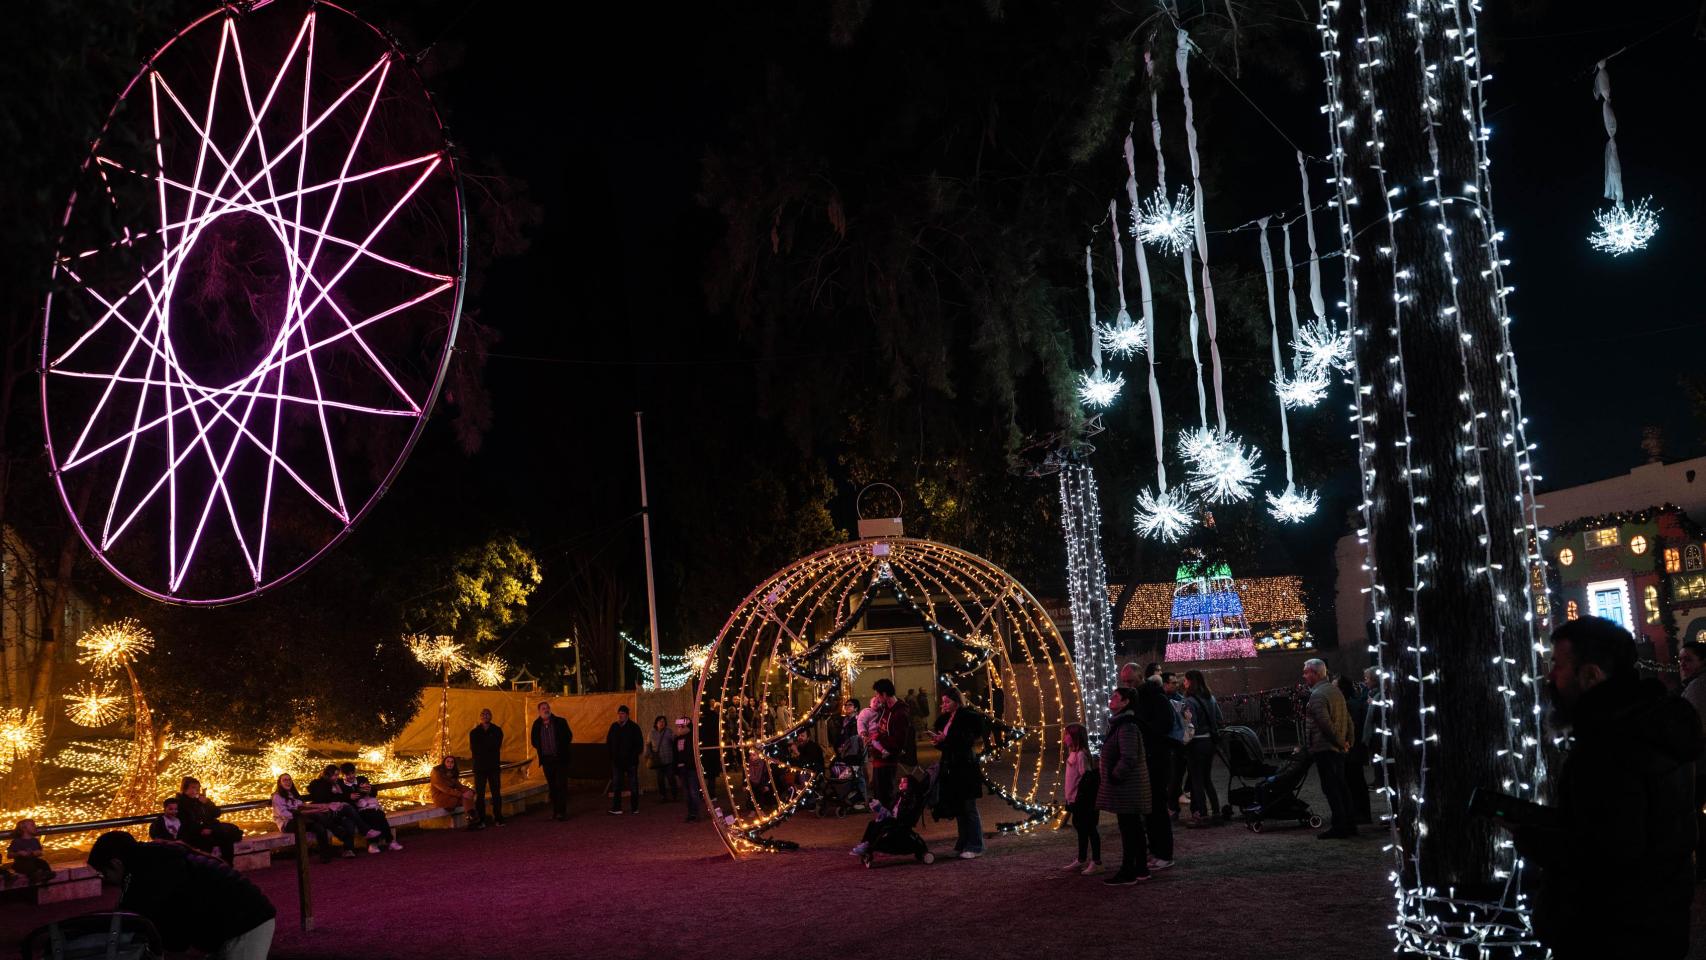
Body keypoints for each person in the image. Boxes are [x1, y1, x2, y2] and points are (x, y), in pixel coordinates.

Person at [1498, 617, 1700, 959]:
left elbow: (1604, 855)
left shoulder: (1608, 746)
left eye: (1558, 666)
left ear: (1591, 675)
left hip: (1608, 935)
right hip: (1658, 925)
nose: (1550, 677)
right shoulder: (1654, 723)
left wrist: (1527, 835)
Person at [87, 831, 276, 960]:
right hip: (240, 919)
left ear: (116, 863)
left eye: (103, 873)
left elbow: (161, 920)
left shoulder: (147, 875)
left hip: (246, 923)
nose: (105, 879)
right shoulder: (153, 859)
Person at [1097, 686, 1151, 885]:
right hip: (1128, 787)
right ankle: (1140, 868)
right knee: (1133, 828)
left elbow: (1129, 756)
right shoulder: (1121, 724)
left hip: (1128, 788)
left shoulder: (1126, 726)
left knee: (1129, 830)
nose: (1111, 699)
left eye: (1116, 697)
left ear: (1126, 702)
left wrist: (1115, 776)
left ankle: (1129, 871)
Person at [1302, 658, 1356, 839]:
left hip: (1326, 748)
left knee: (1332, 788)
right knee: (1342, 786)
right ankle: (1350, 823)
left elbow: (1325, 725)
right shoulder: (1335, 691)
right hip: (1338, 748)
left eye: (1306, 672)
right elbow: (1347, 719)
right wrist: (1348, 741)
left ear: (1315, 673)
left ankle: (1340, 826)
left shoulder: (1318, 695)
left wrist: (1340, 742)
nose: (1304, 675)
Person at [929, 687, 986, 859]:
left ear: (957, 701)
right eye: (943, 702)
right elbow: (949, 744)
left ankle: (975, 845)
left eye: (947, 701)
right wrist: (939, 742)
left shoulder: (967, 717)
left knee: (969, 807)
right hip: (952, 767)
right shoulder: (948, 718)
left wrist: (945, 739)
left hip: (965, 767)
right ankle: (963, 842)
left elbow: (965, 741)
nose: (944, 704)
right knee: (960, 807)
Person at [1131, 680, 1176, 868]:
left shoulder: (1156, 700)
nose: (1127, 684)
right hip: (1150, 759)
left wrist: (1142, 726)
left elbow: (1163, 727)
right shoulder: (1143, 700)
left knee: (1157, 808)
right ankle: (1156, 850)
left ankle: (1164, 853)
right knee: (1150, 809)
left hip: (1156, 760)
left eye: (1130, 680)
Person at [270, 773, 351, 863]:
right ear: (280, 783)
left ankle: (325, 855)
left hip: (300, 819)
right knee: (317, 815)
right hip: (287, 823)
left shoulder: (292, 794)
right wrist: (313, 811)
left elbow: (303, 805)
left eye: (289, 780)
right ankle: (339, 832)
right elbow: (285, 815)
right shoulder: (277, 796)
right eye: (285, 780)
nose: (288, 782)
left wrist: (323, 806)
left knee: (319, 827)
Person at [1182, 669, 1224, 827]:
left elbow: (1191, 725)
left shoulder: (1189, 701)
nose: (1184, 683)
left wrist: (1184, 740)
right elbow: (1219, 719)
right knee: (1207, 779)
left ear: (1190, 682)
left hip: (1196, 743)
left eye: (1186, 680)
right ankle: (1217, 813)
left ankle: (1202, 815)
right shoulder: (1210, 698)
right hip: (1210, 743)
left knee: (1197, 781)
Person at [1679, 640, 1706, 876]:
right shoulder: (1694, 685)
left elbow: (1692, 730)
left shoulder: (1698, 687)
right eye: (1680, 660)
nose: (1682, 664)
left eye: (1688, 659)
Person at [1060, 722, 1101, 875]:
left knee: (1090, 829)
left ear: (1075, 737)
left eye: (1067, 735)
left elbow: (1086, 777)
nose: (1065, 738)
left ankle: (1097, 861)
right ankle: (1081, 858)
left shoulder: (1081, 755)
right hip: (1073, 799)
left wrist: (1080, 797)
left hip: (1082, 801)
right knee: (1080, 828)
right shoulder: (1073, 754)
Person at [867, 678, 913, 812]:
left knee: (885, 795)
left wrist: (879, 738)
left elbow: (898, 741)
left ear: (884, 694)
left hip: (888, 760)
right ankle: (883, 818)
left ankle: (889, 819)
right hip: (879, 758)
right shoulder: (886, 709)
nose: (876, 697)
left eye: (877, 694)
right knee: (879, 794)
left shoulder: (900, 713)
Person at [176, 777, 244, 865]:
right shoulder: (180, 803)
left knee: (226, 837)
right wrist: (203, 829)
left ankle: (227, 866)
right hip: (195, 833)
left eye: (198, 788)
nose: (196, 791)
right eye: (193, 788)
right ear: (185, 789)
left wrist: (207, 803)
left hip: (209, 828)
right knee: (213, 840)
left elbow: (217, 813)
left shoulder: (201, 800)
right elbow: (186, 822)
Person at [308, 765, 376, 852]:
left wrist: (358, 792)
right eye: (335, 775)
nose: (337, 777)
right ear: (328, 775)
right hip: (327, 812)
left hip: (336, 812)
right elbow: (321, 798)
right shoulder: (318, 783)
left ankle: (349, 850)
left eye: (338, 775)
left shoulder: (337, 783)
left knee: (349, 820)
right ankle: (364, 830)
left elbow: (343, 795)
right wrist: (335, 795)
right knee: (347, 810)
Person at [1336, 674, 1373, 825]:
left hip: (1353, 748)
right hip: (1353, 748)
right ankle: (1359, 812)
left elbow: (1353, 727)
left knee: (1355, 781)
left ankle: (1361, 813)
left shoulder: (1350, 705)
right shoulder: (1350, 703)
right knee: (1355, 780)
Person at [340, 763, 401, 851]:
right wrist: (350, 796)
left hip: (370, 807)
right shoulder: (341, 784)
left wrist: (369, 790)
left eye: (352, 773)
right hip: (356, 811)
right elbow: (342, 798)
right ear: (343, 775)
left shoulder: (361, 779)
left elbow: (373, 792)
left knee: (377, 814)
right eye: (348, 774)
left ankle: (374, 844)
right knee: (377, 815)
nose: (351, 776)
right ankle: (389, 841)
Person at [531, 700, 573, 820]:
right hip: (547, 760)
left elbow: (569, 736)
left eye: (547, 707)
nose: (546, 710)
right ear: (539, 711)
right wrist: (543, 748)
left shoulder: (560, 722)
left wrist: (561, 748)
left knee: (561, 785)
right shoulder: (536, 725)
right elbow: (534, 741)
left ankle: (562, 812)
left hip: (560, 759)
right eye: (543, 708)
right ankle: (555, 811)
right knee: (552, 787)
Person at [469, 708, 506, 826]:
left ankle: (498, 817)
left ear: (491, 716)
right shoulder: (474, 732)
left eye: (487, 714)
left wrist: (484, 747)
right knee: (480, 794)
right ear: (480, 717)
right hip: (480, 768)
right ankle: (481, 819)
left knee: (496, 793)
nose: (485, 716)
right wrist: (487, 746)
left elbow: (496, 746)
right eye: (483, 714)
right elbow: (474, 749)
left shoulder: (497, 730)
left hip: (493, 766)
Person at [606, 705, 644, 814]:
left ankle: (634, 807)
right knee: (617, 785)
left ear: (627, 715)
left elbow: (639, 744)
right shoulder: (614, 727)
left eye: (622, 713)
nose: (620, 716)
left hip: (631, 762)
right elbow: (609, 742)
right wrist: (612, 757)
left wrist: (632, 756)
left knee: (633, 785)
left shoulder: (634, 727)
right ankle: (617, 808)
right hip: (617, 762)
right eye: (619, 713)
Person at [430, 756, 482, 829]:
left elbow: (459, 786)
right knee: (465, 798)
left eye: (452, 762)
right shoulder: (437, 773)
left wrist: (469, 791)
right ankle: (473, 819)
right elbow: (445, 789)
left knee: (467, 796)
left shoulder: (451, 773)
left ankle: (472, 820)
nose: (450, 764)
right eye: (448, 761)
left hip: (451, 796)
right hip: (440, 797)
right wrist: (462, 794)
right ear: (444, 763)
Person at [834, 697, 869, 806]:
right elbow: (839, 737)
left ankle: (863, 800)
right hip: (845, 753)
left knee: (858, 775)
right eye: (846, 705)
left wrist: (845, 747)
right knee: (848, 775)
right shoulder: (843, 721)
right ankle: (850, 798)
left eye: (850, 705)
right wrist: (839, 747)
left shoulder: (858, 721)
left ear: (856, 708)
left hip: (855, 753)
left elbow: (856, 738)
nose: (847, 707)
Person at [671, 717, 701, 821]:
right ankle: (690, 813)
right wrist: (676, 768)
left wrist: (688, 723)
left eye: (682, 726)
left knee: (693, 791)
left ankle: (695, 814)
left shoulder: (692, 736)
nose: (679, 728)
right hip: (681, 768)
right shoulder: (677, 739)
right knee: (687, 793)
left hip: (691, 767)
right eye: (678, 726)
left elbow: (692, 727)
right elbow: (675, 754)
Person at [6, 818, 54, 885]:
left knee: (43, 862)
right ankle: (36, 876)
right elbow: (9, 855)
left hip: (33, 861)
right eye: (32, 825)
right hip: (21, 863)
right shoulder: (17, 841)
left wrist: (38, 852)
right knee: (28, 865)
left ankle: (47, 874)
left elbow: (40, 851)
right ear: (24, 829)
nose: (35, 827)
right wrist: (18, 853)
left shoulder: (35, 840)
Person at [647, 715, 678, 802]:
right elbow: (648, 745)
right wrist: (649, 755)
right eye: (660, 721)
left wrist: (677, 733)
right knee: (660, 780)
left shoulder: (669, 731)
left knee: (671, 779)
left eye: (663, 721)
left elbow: (674, 740)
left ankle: (674, 795)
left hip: (669, 760)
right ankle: (663, 796)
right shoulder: (651, 733)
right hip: (658, 761)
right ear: (656, 723)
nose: (662, 723)